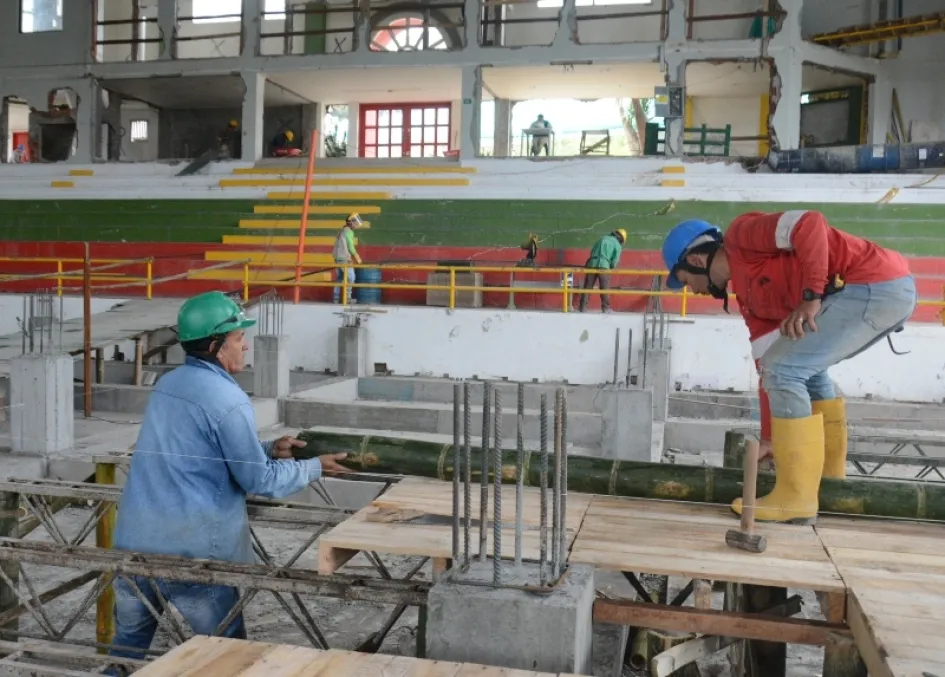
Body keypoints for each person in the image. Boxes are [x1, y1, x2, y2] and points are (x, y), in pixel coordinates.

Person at [105, 291, 349, 667]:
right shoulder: (227, 397)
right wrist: (314, 466)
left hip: (136, 544)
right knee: (225, 660)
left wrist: (268, 447)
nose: (245, 346)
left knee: (125, 656)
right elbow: (259, 480)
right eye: (238, 339)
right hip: (195, 554)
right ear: (217, 345)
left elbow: (198, 449)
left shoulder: (169, 385)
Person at [661, 211, 916, 524]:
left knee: (788, 370)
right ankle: (827, 482)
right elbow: (767, 371)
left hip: (872, 283)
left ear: (697, 261)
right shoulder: (750, 299)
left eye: (685, 281)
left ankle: (797, 497)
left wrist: (811, 295)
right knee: (801, 371)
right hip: (881, 290)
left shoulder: (742, 235)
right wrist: (770, 438)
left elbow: (809, 223)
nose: (692, 290)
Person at [578, 229, 627, 313]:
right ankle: (606, 308)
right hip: (604, 265)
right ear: (621, 240)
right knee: (604, 288)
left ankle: (582, 308)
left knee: (587, 287)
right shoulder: (617, 245)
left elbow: (592, 251)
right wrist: (610, 266)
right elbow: (614, 261)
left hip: (592, 264)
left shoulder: (602, 238)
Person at [332, 213, 363, 304]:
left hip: (338, 257)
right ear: (351, 222)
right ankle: (348, 298)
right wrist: (357, 257)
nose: (357, 224)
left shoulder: (342, 230)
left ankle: (336, 297)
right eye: (355, 222)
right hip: (344, 258)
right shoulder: (348, 231)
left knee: (340, 277)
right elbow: (350, 245)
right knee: (351, 277)